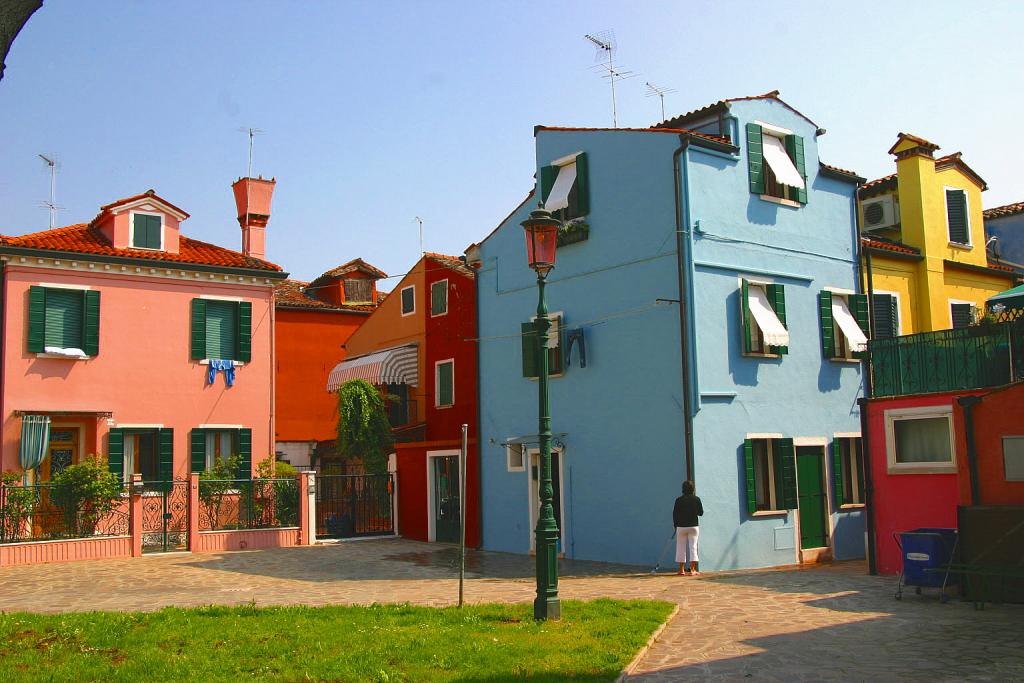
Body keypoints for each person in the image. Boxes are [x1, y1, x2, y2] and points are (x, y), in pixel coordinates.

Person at [673, 480, 704, 576]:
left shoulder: (678, 500)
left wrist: (675, 525)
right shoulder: (696, 499)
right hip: (693, 526)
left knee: (680, 547)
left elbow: (675, 514)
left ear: (683, 489)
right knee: (693, 546)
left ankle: (681, 570)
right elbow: (701, 513)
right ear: (692, 489)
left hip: (681, 526)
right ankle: (693, 570)